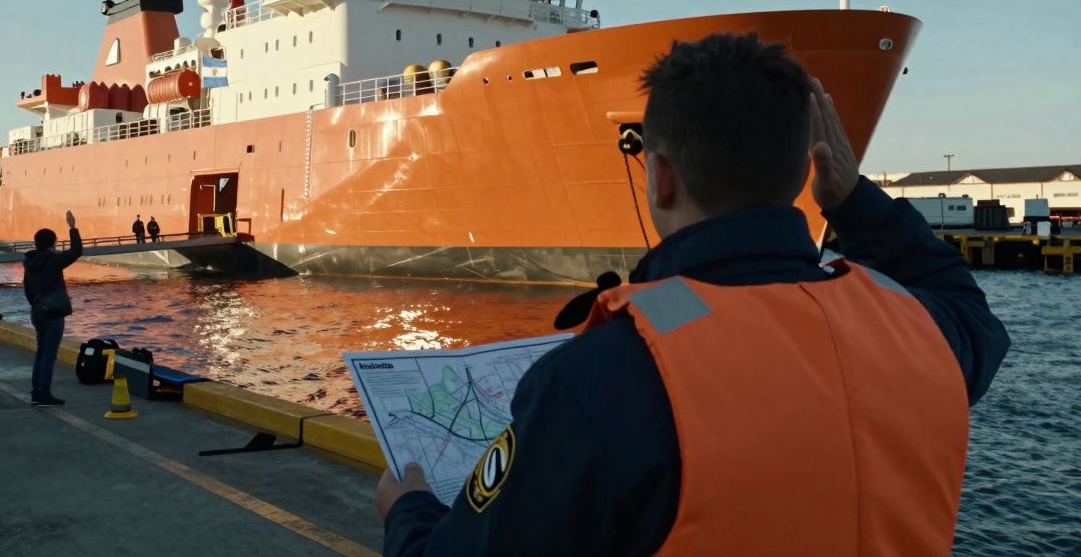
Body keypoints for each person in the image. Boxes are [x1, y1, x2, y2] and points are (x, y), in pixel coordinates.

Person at [376, 34, 1011, 555]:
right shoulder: (923, 337)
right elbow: (966, 307)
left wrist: (407, 514)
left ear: (660, 177)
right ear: (803, 172)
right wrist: (855, 203)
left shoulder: (597, 380)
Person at [23, 210, 82, 407]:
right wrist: (73, 227)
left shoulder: (29, 263)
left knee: (40, 352)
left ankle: (36, 392)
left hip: (38, 311)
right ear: (52, 243)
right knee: (49, 354)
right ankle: (44, 393)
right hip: (54, 313)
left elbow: (28, 290)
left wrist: (37, 305)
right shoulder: (53, 261)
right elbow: (76, 252)